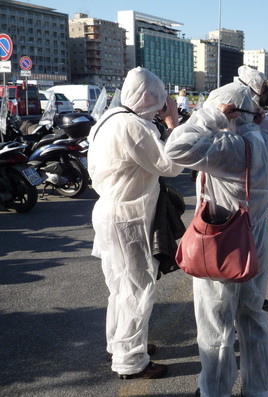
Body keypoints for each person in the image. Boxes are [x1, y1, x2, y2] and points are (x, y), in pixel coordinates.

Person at [164, 66, 268, 397]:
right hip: (254, 240)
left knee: (216, 326)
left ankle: (214, 390)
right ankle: (259, 387)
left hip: (224, 243)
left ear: (228, 113)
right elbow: (266, 119)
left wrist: (207, 117)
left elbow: (175, 149)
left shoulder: (229, 148)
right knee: (253, 318)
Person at [88, 67, 183, 380]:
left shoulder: (111, 117)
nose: (160, 106)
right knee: (137, 287)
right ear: (145, 97)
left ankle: (122, 344)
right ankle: (131, 361)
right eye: (158, 101)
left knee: (120, 286)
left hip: (110, 210)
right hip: (127, 216)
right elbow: (169, 165)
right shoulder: (133, 126)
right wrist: (173, 125)